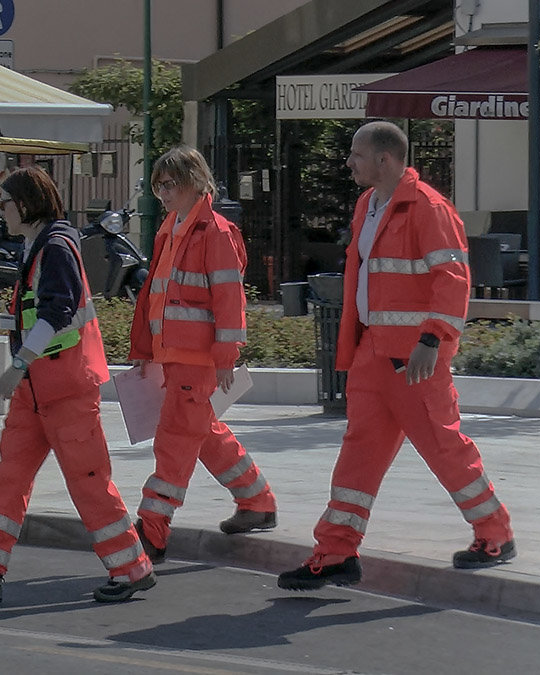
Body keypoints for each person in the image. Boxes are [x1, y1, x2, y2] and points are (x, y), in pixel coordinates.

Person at [278, 121, 515, 591]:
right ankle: (336, 550)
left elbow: (453, 278)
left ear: (385, 159)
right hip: (373, 353)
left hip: (413, 360)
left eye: (356, 154)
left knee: (445, 451)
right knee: (357, 457)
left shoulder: (427, 206)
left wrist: (432, 340)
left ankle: (495, 535)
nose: (349, 162)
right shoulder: (368, 204)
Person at [0, 167, 156, 605]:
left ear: (26, 204)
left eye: (6, 204)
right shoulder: (40, 245)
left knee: (88, 481)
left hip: (64, 388)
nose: (2, 213)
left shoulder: (55, 246)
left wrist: (16, 366)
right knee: (10, 475)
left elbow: (56, 313)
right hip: (41, 390)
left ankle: (132, 569)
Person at [129, 145, 278, 565]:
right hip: (175, 354)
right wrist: (144, 350)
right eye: (157, 185)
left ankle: (153, 527)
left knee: (175, 438)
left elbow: (230, 299)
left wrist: (226, 355)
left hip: (196, 359)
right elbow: (153, 298)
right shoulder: (171, 228)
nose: (161, 192)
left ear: (195, 181)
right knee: (200, 432)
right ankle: (256, 501)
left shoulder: (215, 232)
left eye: (169, 184)